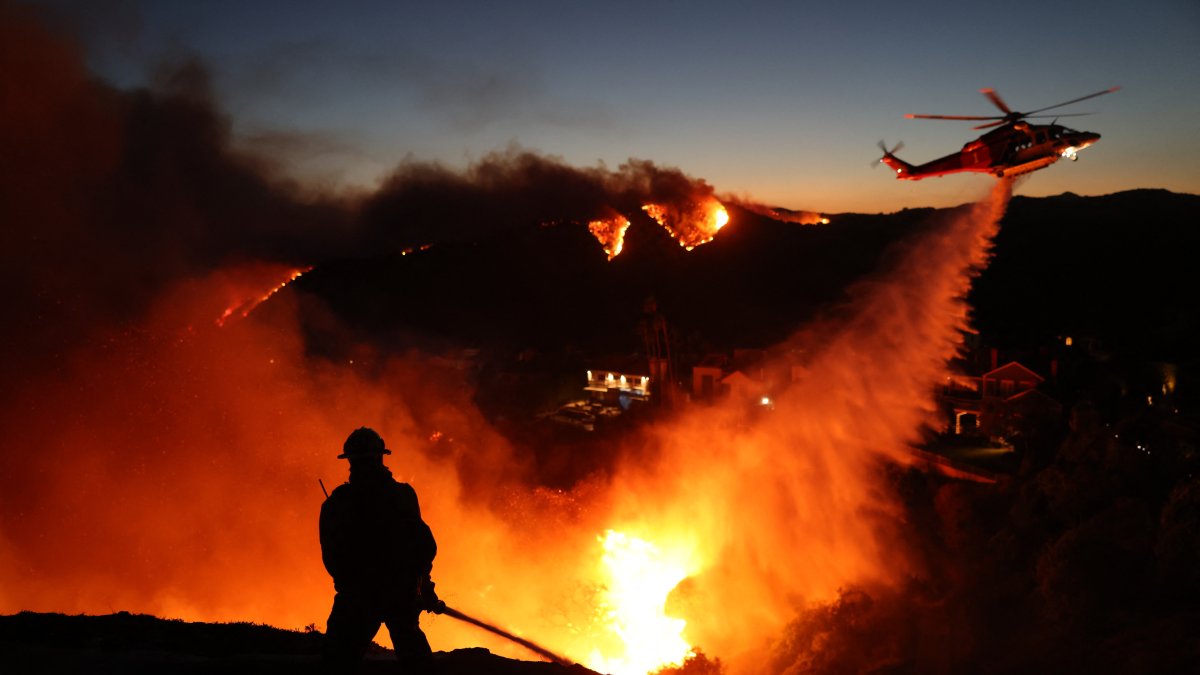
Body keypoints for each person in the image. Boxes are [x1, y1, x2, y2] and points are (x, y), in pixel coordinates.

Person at [320, 427, 444, 674]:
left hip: (357, 597)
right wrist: (421, 585)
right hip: (398, 593)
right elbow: (423, 547)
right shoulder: (402, 496)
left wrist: (352, 586)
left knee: (338, 660)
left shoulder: (337, 503)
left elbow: (332, 558)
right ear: (380, 457)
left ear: (350, 460)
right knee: (416, 661)